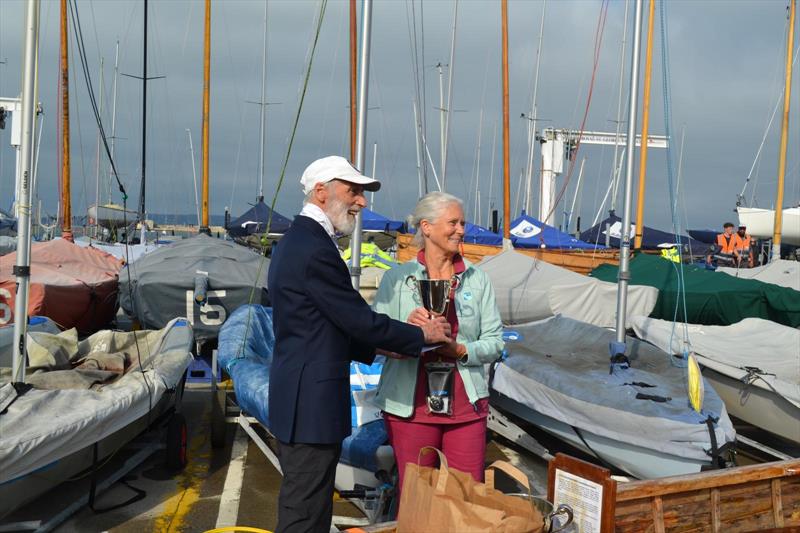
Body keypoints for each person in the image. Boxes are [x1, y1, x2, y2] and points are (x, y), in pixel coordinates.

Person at [267, 156, 452, 533]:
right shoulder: (314, 247)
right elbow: (358, 319)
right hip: (311, 407)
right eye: (353, 191)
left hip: (300, 400)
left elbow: (318, 326)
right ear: (321, 192)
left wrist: (380, 349)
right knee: (304, 515)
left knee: (307, 507)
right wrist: (422, 336)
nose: (362, 202)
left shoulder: (298, 241)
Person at [372, 191, 504, 505]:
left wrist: (459, 350)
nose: (461, 230)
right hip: (410, 408)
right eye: (453, 222)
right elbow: (376, 338)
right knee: (417, 499)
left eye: (463, 222)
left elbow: (496, 342)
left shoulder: (477, 279)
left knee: (466, 497)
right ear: (427, 227)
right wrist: (408, 329)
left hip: (465, 409)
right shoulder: (397, 279)